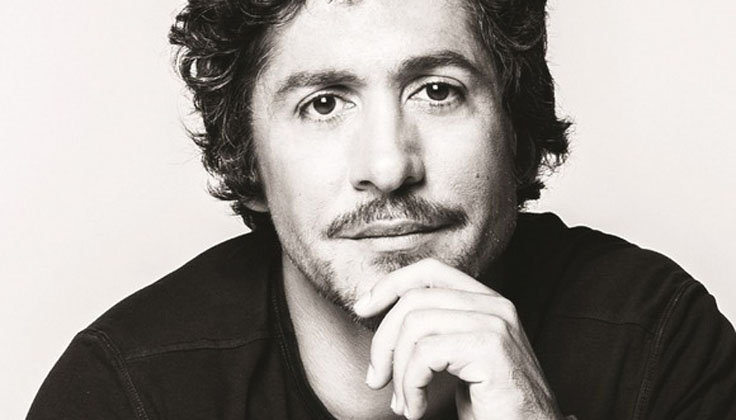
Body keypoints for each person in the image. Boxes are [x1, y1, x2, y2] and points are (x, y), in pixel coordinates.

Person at [27, 0, 736, 419]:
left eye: (438, 91)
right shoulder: (127, 392)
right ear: (250, 160)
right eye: (323, 104)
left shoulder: (656, 338)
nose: (390, 166)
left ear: (515, 132)